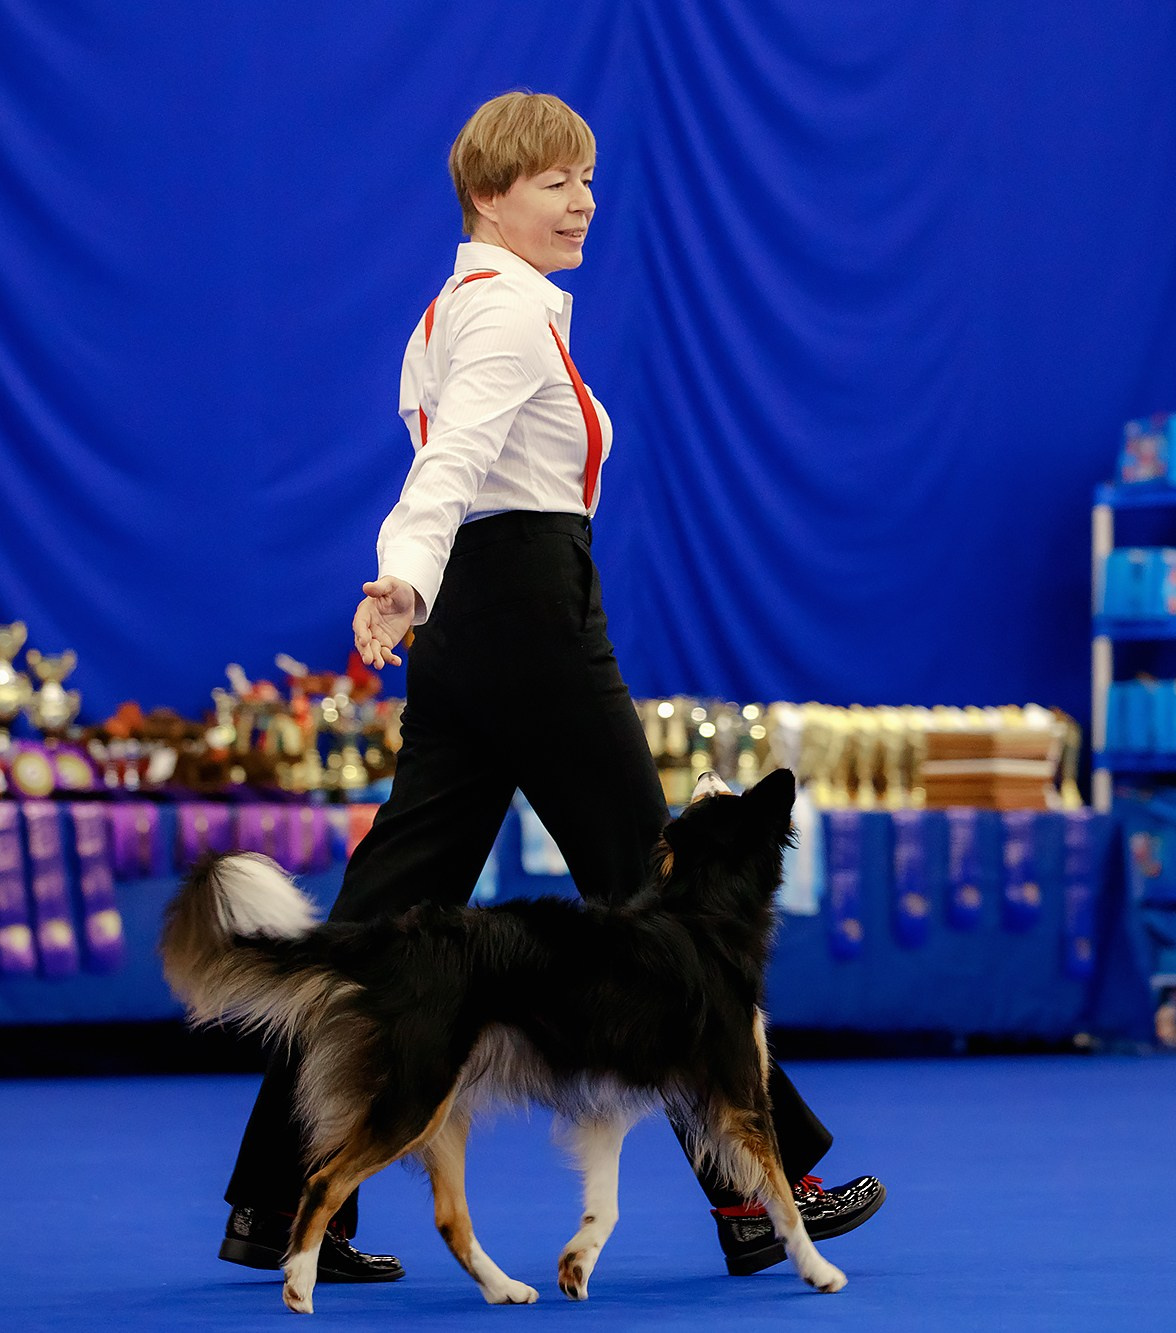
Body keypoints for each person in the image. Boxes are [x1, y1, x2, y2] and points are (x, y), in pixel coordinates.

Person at [219, 90, 884, 1286]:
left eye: (585, 178)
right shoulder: (506, 322)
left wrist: (421, 589)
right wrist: (399, 577)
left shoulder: (452, 313)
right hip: (522, 605)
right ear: (487, 194)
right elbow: (454, 466)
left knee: (382, 915)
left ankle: (274, 1203)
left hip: (478, 624)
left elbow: (447, 469)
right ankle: (761, 1190)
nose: (582, 199)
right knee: (659, 891)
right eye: (553, 181)